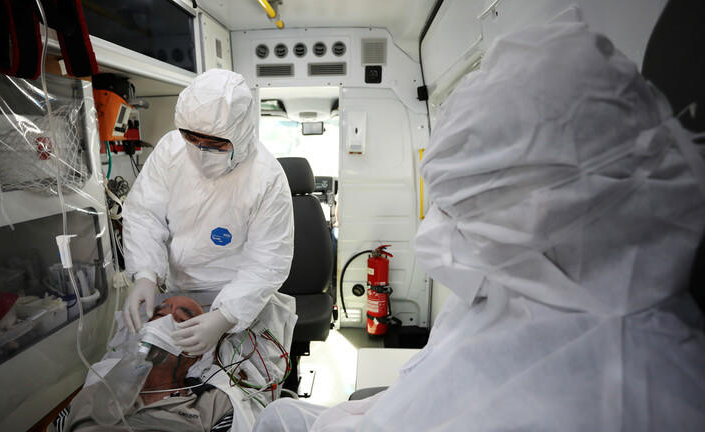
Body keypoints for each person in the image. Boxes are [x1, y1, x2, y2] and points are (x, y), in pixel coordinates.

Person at [254, 17, 705, 432]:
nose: (436, 233)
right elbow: (426, 388)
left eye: (460, 212)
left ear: (540, 209)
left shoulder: (631, 392)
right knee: (278, 415)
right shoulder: (524, 283)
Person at [121, 69, 295, 357]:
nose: (201, 152)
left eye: (215, 145)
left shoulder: (267, 178)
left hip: (240, 298)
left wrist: (225, 316)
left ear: (240, 133)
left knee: (227, 374)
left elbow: (268, 261)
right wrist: (145, 273)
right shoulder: (170, 150)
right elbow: (144, 214)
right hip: (177, 292)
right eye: (191, 138)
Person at [60, 296, 235, 432]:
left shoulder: (213, 405)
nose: (162, 324)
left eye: (182, 320)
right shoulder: (94, 393)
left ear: (196, 353)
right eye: (159, 316)